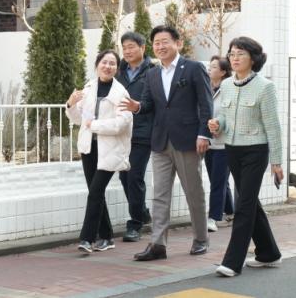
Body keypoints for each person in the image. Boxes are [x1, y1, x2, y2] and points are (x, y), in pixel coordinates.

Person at [120, 25, 213, 261]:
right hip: (160, 141)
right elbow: (148, 104)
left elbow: (206, 103)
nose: (160, 46)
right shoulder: (152, 73)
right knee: (160, 195)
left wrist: (204, 134)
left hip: (188, 140)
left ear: (177, 43)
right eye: (156, 43)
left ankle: (201, 238)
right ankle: (158, 244)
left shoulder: (193, 68)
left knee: (193, 192)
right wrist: (137, 107)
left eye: (164, 41)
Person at [208, 36, 284, 277]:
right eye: (232, 53)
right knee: (250, 203)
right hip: (232, 149)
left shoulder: (265, 87)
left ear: (253, 58)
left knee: (243, 205)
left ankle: (232, 262)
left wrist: (276, 162)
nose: (235, 58)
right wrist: (217, 123)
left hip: (256, 150)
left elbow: (273, 127)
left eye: (240, 53)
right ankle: (269, 253)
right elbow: (225, 117)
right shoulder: (227, 85)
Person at [66, 49, 133, 253]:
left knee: (95, 192)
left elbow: (121, 123)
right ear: (97, 65)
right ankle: (106, 237)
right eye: (104, 62)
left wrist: (94, 125)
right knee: (96, 193)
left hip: (111, 150)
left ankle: (87, 239)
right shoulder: (89, 88)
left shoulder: (121, 93)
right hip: (89, 148)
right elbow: (79, 119)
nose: (108, 66)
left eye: (112, 63)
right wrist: (70, 104)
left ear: (117, 68)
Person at [116, 32, 155, 242]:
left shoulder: (153, 72)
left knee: (134, 176)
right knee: (124, 176)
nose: (127, 51)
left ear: (142, 48)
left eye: (131, 46)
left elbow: (157, 102)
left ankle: (135, 224)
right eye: (124, 47)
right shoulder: (118, 71)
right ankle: (143, 213)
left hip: (142, 132)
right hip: (121, 132)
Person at [205, 55, 235, 233]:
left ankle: (213, 218)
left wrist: (220, 127)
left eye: (214, 67)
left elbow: (231, 116)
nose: (210, 69)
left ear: (223, 72)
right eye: (210, 66)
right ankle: (230, 212)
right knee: (219, 180)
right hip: (209, 143)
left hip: (225, 144)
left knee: (217, 181)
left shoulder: (229, 90)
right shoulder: (206, 88)